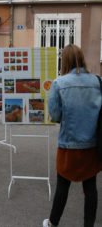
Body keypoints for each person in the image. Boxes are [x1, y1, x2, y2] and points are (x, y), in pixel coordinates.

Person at [43, 44, 102, 227]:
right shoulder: (98, 82)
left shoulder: (58, 84)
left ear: (64, 61)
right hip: (93, 145)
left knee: (62, 186)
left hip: (68, 145)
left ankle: (53, 222)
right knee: (90, 188)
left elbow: (55, 116)